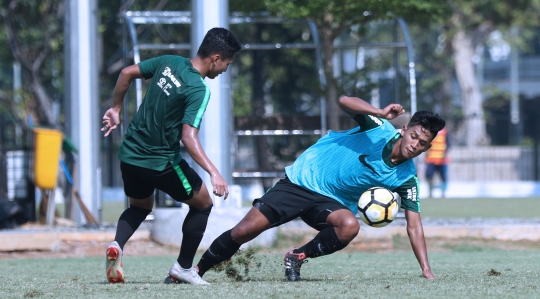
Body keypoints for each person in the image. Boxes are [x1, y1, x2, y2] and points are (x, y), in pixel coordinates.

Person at [193, 96, 444, 282]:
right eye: (414, 136)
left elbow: (414, 225)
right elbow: (344, 101)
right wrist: (379, 111)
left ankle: (297, 256)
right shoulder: (378, 129)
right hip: (301, 182)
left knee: (349, 226)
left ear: (427, 147)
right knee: (243, 231)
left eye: (423, 143)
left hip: (330, 203)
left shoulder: (407, 179)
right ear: (404, 130)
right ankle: (194, 271)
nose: (415, 145)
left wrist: (426, 269)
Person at [101, 27, 242, 285]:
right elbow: (189, 137)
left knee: (140, 206)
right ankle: (183, 268)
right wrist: (214, 172)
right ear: (216, 58)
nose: (224, 70)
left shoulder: (169, 61)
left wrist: (115, 108)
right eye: (227, 64)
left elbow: (125, 73)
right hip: (160, 162)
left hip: (130, 154)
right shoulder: (198, 90)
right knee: (203, 203)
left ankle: (117, 245)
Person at [425, 127, 450, 198]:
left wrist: (445, 153)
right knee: (428, 175)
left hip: (441, 159)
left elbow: (448, 144)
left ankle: (443, 193)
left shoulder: (445, 132)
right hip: (431, 158)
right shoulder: (430, 131)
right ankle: (430, 191)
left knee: (443, 176)